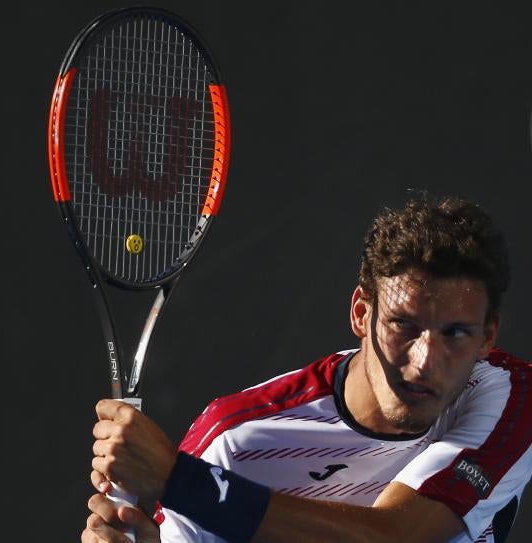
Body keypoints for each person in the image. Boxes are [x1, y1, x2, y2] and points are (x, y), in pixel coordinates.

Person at [81, 194, 532, 543]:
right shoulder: (232, 443)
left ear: (487, 337)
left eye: (455, 334)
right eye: (403, 325)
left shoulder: (508, 397)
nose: (425, 362)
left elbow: (395, 536)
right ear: (361, 313)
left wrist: (182, 482)